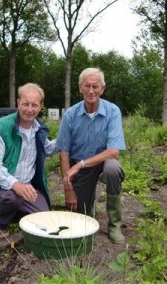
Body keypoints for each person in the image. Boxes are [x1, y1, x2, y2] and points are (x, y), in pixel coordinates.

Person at [0, 83, 57, 238]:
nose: (29, 109)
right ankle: (0, 223)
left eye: (34, 105)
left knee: (43, 215)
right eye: (25, 104)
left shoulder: (39, 128)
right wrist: (15, 184)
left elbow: (48, 149)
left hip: (25, 184)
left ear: (41, 106)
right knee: (11, 197)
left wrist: (66, 139)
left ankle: (13, 214)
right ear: (18, 102)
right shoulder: (1, 127)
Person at [56, 67, 126, 244]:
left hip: (103, 163)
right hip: (80, 168)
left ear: (102, 89)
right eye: (87, 86)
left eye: (95, 86)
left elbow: (114, 151)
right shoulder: (70, 114)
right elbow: (63, 153)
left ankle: (114, 225)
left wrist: (80, 164)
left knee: (113, 169)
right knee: (81, 219)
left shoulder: (112, 112)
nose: (91, 91)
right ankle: (87, 206)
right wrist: (69, 190)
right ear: (80, 87)